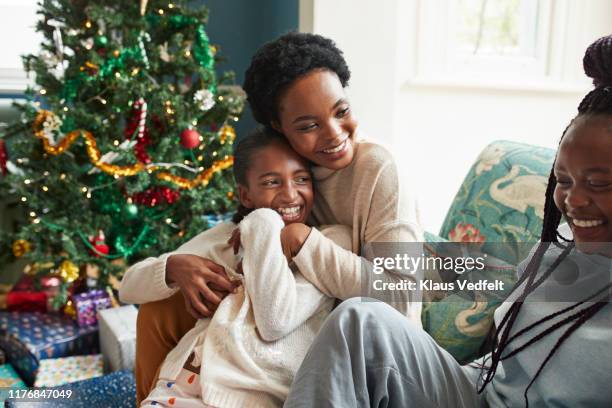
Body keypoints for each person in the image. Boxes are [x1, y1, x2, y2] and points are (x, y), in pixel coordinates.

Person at [284, 35, 612, 408]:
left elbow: (397, 287)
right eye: (563, 180)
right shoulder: (561, 250)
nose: (573, 200)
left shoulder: (376, 166)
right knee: (360, 320)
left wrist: (309, 246)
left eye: (599, 183)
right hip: (479, 393)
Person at [134, 32, 423, 402]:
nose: (334, 135)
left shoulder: (379, 170)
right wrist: (177, 267)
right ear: (279, 127)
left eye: (341, 111)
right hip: (291, 311)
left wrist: (304, 242)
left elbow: (401, 297)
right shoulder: (288, 168)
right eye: (308, 126)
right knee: (162, 307)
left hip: (365, 338)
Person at [120, 128, 353, 407]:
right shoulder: (227, 240)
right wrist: (173, 267)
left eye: (301, 178)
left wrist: (264, 222)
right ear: (246, 196)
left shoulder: (328, 242)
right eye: (271, 182)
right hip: (178, 386)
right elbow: (128, 287)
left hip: (243, 398)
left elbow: (274, 321)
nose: (290, 194)